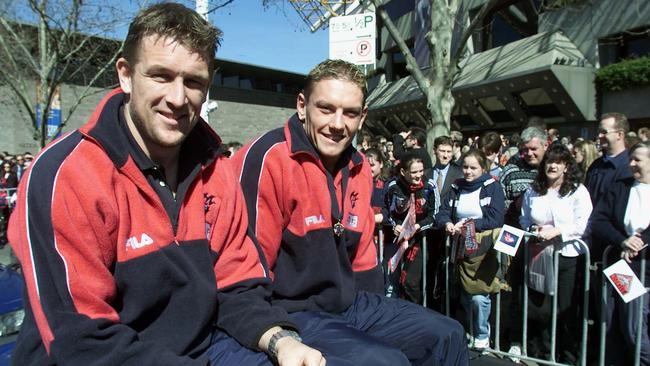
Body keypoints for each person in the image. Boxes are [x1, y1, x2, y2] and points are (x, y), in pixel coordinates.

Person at [7, 4, 324, 365]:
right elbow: (82, 339)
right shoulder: (65, 175)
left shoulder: (216, 170)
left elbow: (237, 286)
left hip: (206, 349)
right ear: (125, 75)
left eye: (194, 81)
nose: (177, 98)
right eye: (161, 76)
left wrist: (281, 340)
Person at [232, 59, 468, 365]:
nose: (338, 124)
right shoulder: (269, 159)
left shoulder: (360, 167)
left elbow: (363, 259)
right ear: (302, 106)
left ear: (363, 116)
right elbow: (247, 270)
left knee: (449, 334)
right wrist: (276, 337)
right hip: (291, 310)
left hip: (352, 303)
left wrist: (380, 321)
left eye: (350, 112)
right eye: (326, 109)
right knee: (385, 362)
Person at [519, 144, 593, 363]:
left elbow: (583, 223)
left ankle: (568, 357)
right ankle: (541, 353)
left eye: (558, 162)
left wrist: (558, 231)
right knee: (540, 308)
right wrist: (533, 230)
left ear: (566, 167)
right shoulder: (534, 189)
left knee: (565, 310)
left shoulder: (577, 190)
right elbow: (524, 218)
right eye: (549, 161)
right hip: (539, 254)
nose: (552, 166)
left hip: (568, 255)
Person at [435, 148, 506, 350]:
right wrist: (447, 223)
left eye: (473, 168)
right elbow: (443, 212)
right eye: (465, 167)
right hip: (460, 248)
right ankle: (471, 330)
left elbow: (495, 218)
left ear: (483, 168)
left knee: (479, 295)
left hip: (483, 248)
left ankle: (483, 333)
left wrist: (469, 225)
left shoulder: (493, 187)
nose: (468, 171)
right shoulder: (456, 187)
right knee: (465, 294)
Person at [590, 141, 650, 366]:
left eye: (638, 160)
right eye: (630, 158)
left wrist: (641, 242)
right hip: (619, 267)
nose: (631, 164)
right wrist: (622, 241)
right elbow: (599, 220)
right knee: (611, 325)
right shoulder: (621, 187)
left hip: (643, 270)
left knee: (635, 330)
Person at [384, 154, 438, 303]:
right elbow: (389, 212)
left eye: (421, 171)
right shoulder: (394, 187)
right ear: (403, 172)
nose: (419, 175)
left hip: (421, 240)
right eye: (414, 172)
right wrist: (396, 226)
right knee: (396, 283)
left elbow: (435, 214)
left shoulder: (429, 186)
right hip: (399, 240)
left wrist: (418, 226)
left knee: (410, 282)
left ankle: (417, 313)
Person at [585, 112, 633, 207]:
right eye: (599, 132)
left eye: (604, 132)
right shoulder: (596, 165)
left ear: (620, 134)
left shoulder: (631, 166)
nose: (599, 136)